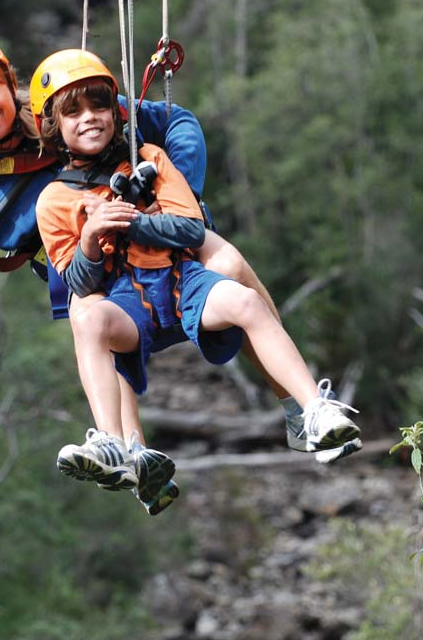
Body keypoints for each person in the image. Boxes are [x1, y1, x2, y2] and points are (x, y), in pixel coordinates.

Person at [0, 29, 311, 512]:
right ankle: (132, 455)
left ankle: (298, 406)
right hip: (91, 272)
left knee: (231, 263)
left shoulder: (66, 106)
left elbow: (176, 121)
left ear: (10, 82)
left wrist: (179, 198)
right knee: (89, 311)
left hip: (157, 239)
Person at [30, 49, 363, 511]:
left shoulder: (149, 157)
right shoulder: (53, 201)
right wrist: (90, 237)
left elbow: (190, 228)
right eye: (74, 112)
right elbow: (80, 283)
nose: (90, 119)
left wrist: (133, 221)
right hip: (127, 305)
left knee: (247, 303)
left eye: (99, 107)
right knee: (85, 319)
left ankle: (314, 410)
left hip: (182, 281)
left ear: (116, 111)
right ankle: (113, 442)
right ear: (55, 126)